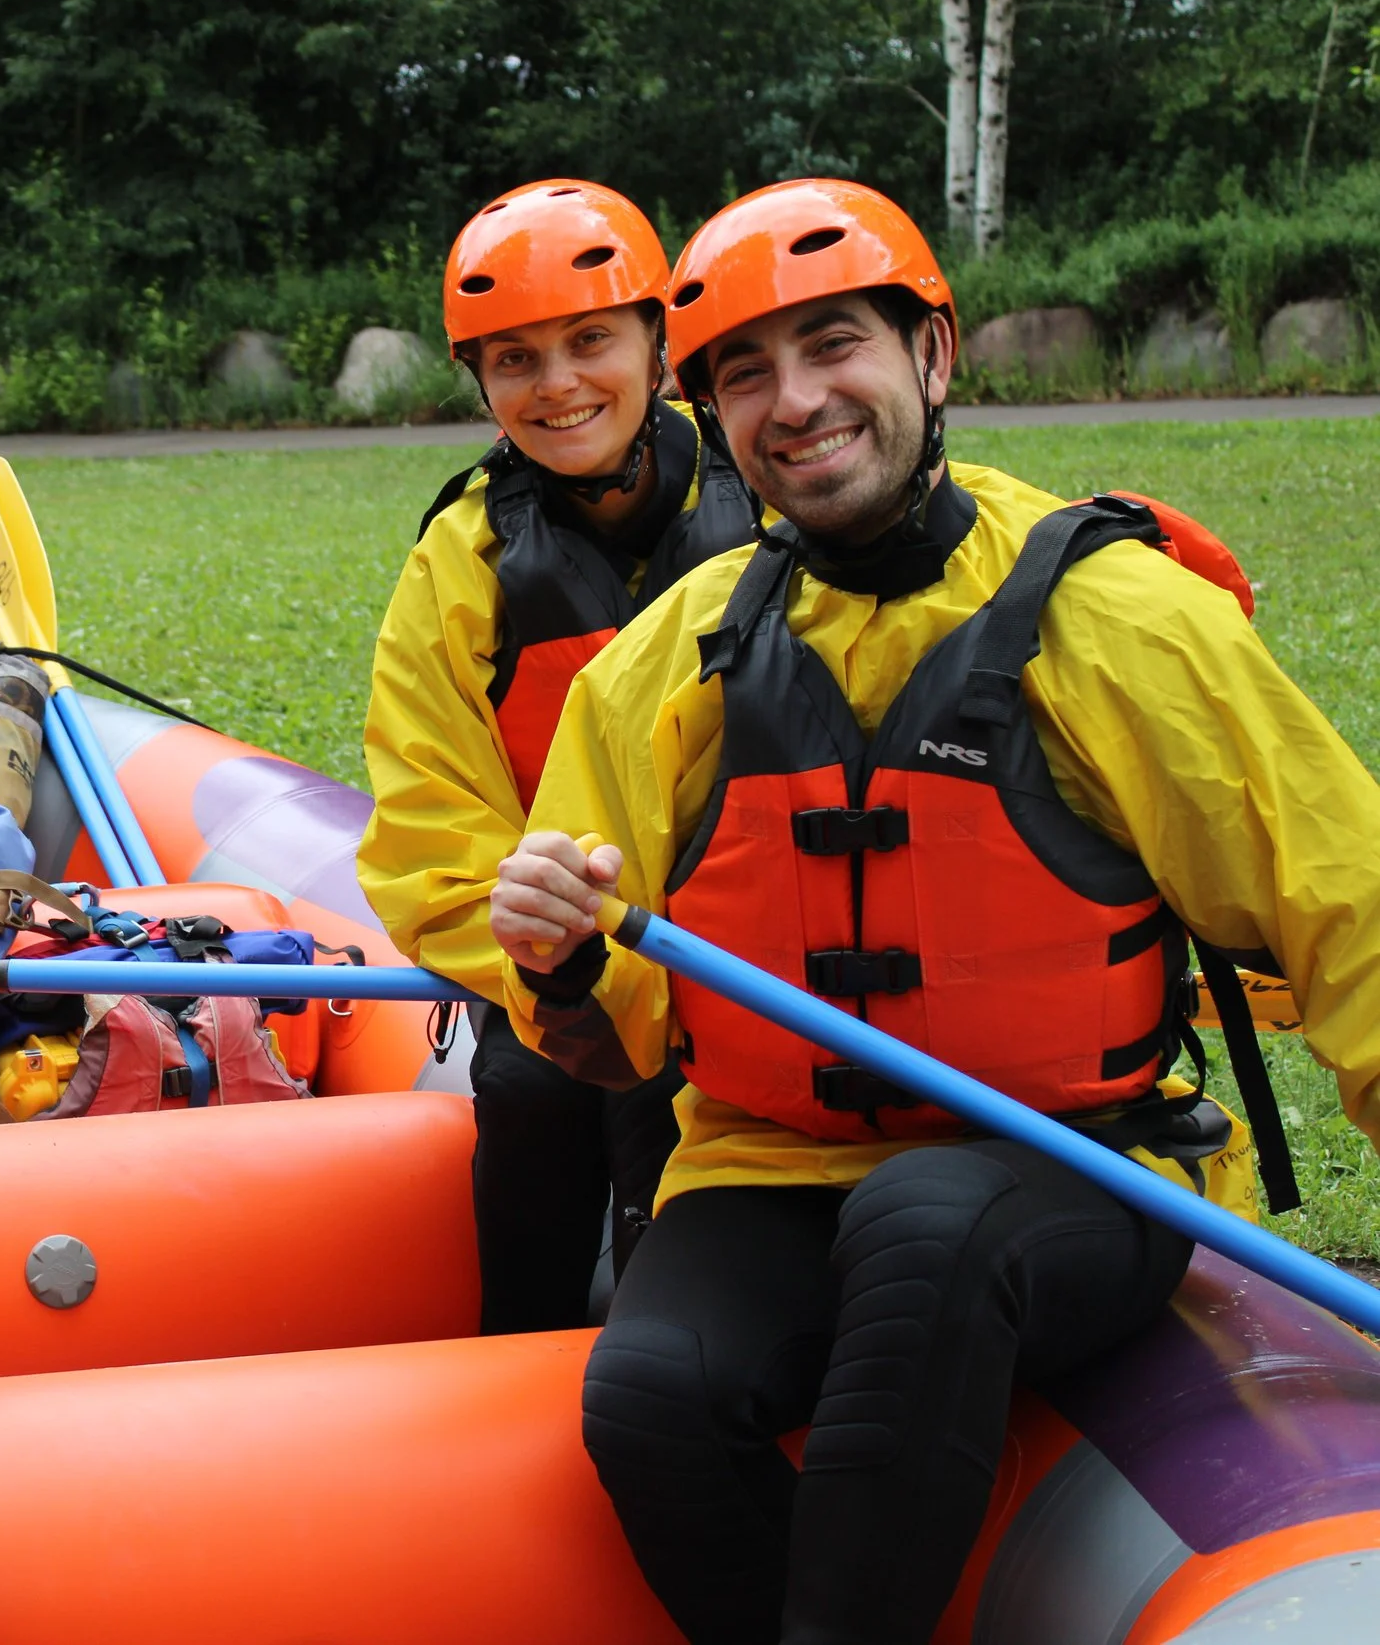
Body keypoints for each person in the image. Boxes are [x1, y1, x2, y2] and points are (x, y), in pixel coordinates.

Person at [484, 178, 1380, 1645]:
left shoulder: (1124, 621)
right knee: (649, 1393)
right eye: (746, 374)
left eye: (835, 344)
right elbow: (614, 1042)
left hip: (1079, 1162)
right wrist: (569, 960)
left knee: (929, 1222)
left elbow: (1351, 910)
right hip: (768, 1163)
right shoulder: (666, 667)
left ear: (933, 356)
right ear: (713, 414)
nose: (797, 401)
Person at [359, 179, 761, 1332]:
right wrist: (557, 949)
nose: (560, 384)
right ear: (481, 382)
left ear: (657, 341)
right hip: (560, 968)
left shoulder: (773, 494)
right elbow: (429, 830)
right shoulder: (465, 559)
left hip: (755, 958)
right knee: (531, 1086)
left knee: (670, 1114)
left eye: (591, 341)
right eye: (516, 359)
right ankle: (525, 1346)